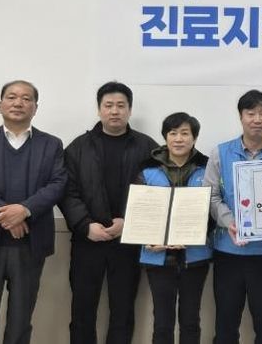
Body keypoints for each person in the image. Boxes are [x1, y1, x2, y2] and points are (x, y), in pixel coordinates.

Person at [0, 80, 67, 344]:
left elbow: (58, 184)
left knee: (20, 324)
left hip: (29, 246)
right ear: (0, 105)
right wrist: (9, 216)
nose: (18, 103)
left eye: (26, 98)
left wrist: (25, 209)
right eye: (12, 97)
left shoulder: (51, 144)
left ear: (35, 107)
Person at [59, 81, 158, 344]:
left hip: (127, 242)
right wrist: (85, 225)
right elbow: (68, 192)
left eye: (121, 105)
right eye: (109, 105)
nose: (115, 111)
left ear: (130, 110)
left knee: (123, 311)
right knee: (82, 310)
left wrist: (129, 222)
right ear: (99, 109)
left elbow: (156, 193)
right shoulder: (78, 147)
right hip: (87, 241)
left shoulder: (148, 147)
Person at [205, 89, 262, 344]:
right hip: (228, 251)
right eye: (251, 113)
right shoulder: (220, 153)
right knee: (225, 325)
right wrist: (230, 222)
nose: (257, 119)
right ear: (241, 116)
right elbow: (211, 196)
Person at [135, 112, 212, 344]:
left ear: (194, 138)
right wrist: (147, 239)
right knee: (162, 322)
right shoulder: (147, 168)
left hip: (195, 256)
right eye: (173, 133)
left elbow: (215, 209)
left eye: (185, 133)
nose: (179, 139)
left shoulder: (207, 167)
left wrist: (195, 234)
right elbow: (137, 210)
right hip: (157, 256)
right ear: (165, 137)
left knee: (190, 320)